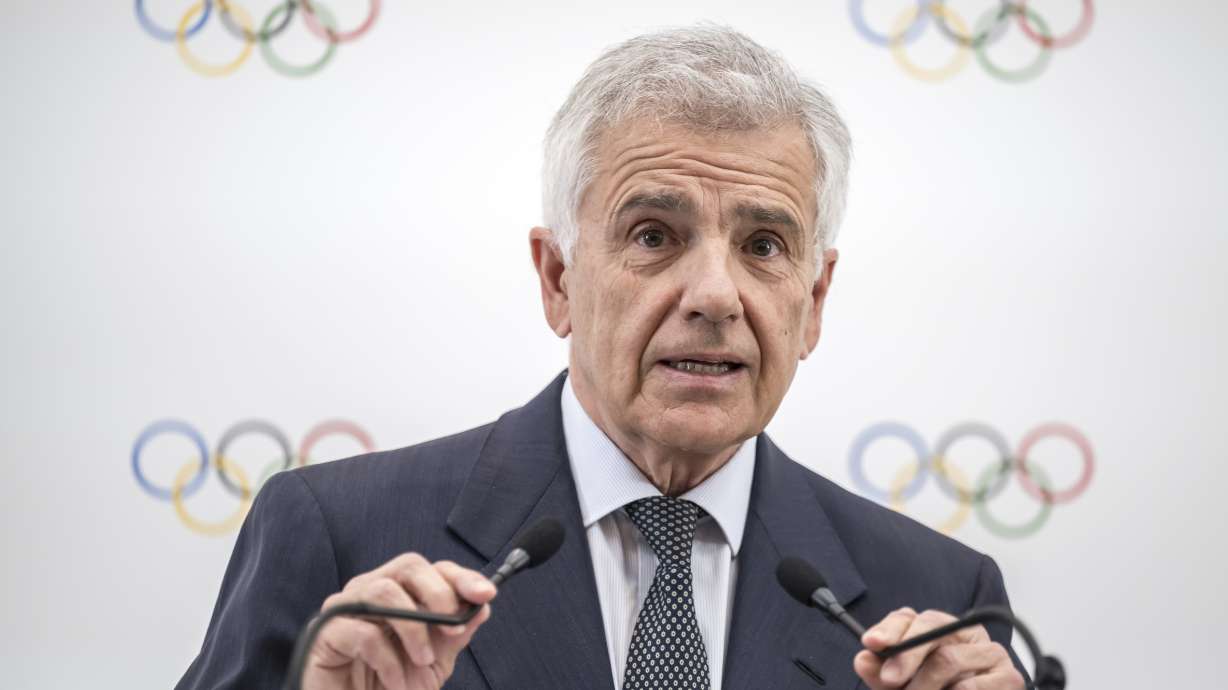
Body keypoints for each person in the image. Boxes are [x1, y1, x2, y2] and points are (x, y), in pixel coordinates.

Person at [178, 25, 1026, 690]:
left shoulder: (939, 597)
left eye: (765, 244)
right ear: (557, 279)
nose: (715, 295)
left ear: (814, 301)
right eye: (654, 235)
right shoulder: (340, 539)